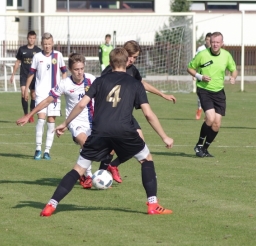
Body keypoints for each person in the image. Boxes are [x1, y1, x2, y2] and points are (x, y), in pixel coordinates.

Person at [39, 47, 174, 217]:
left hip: (99, 131)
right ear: (127, 62)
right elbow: (148, 113)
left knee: (78, 169)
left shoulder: (99, 81)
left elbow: (81, 105)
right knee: (146, 159)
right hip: (124, 130)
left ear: (110, 63)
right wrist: (164, 136)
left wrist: (65, 123)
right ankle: (153, 205)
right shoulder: (135, 84)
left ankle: (51, 205)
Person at [16, 53, 121, 188]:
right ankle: (87, 175)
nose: (80, 72)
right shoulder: (65, 84)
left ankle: (101, 173)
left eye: (82, 68)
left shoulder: (91, 79)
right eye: (77, 69)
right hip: (75, 122)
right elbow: (48, 100)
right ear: (71, 70)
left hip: (94, 121)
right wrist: (28, 114)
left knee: (111, 148)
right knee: (86, 143)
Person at [101, 40, 176, 177]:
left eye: (136, 57)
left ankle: (112, 166)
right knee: (111, 147)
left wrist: (162, 95)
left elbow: (141, 84)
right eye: (133, 57)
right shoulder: (109, 71)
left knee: (139, 143)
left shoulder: (132, 70)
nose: (133, 60)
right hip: (111, 114)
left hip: (125, 114)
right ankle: (101, 172)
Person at [187, 32, 237, 157]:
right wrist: (200, 76)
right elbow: (190, 68)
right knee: (210, 117)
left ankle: (205, 148)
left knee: (217, 123)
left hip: (219, 92)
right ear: (210, 42)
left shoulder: (226, 55)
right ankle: (199, 145)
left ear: (222, 43)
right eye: (213, 42)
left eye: (217, 42)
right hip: (204, 90)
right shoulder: (202, 55)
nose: (215, 44)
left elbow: (234, 70)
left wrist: (233, 77)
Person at [24, 32, 67, 160]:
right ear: (41, 44)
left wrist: (63, 86)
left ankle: (47, 151)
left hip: (54, 93)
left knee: (51, 121)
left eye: (49, 44)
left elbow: (64, 72)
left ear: (52, 43)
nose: (47, 46)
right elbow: (31, 74)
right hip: (41, 93)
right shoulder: (37, 56)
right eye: (45, 44)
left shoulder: (58, 55)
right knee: (41, 120)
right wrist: (26, 88)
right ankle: (38, 149)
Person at [10, 31, 41, 122]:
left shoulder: (38, 51)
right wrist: (13, 75)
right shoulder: (22, 49)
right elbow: (17, 62)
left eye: (33, 38)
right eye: (30, 38)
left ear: (35, 39)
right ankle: (25, 114)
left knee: (33, 95)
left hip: (34, 76)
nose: (32, 40)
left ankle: (31, 115)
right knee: (24, 93)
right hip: (24, 75)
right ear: (27, 38)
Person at [195, 32, 212, 120]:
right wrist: (194, 72)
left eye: (210, 40)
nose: (208, 41)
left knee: (210, 94)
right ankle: (199, 109)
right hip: (201, 75)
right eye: (207, 40)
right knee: (200, 94)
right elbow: (195, 61)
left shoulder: (214, 50)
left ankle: (207, 112)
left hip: (211, 75)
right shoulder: (200, 49)